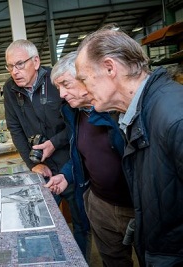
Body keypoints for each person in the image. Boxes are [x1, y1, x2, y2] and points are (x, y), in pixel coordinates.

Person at [75, 25, 183, 266]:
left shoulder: (173, 116)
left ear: (110, 68)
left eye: (84, 79)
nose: (83, 90)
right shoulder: (137, 115)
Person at [37, 51, 135, 266]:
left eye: (66, 84)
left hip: (134, 206)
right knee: (114, 261)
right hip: (100, 204)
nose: (61, 94)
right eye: (58, 88)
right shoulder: (76, 113)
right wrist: (66, 175)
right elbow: (82, 154)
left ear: (85, 77)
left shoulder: (116, 110)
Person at [2, 39, 90, 259]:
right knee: (40, 222)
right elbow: (15, 128)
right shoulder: (10, 89)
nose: (15, 71)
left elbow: (77, 126)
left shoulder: (56, 81)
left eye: (20, 64)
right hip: (42, 166)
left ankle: (80, 261)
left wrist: (54, 143)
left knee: (81, 222)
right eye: (10, 66)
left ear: (36, 61)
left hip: (72, 162)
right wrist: (35, 164)